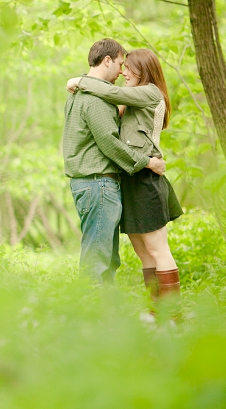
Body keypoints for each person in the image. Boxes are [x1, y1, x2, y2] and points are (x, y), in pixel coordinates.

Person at [66, 48, 183, 302]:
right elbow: (112, 114)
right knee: (144, 253)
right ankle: (156, 311)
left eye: (128, 67)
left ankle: (171, 314)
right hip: (130, 178)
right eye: (122, 65)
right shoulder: (132, 101)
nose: (123, 72)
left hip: (145, 175)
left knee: (157, 249)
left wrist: (81, 81)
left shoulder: (150, 92)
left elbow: (114, 93)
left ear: (143, 69)